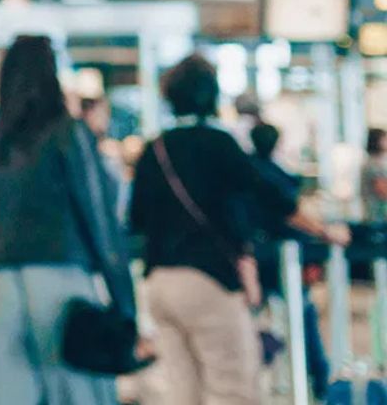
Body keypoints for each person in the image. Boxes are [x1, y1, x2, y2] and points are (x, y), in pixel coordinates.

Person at [130, 54, 345, 405]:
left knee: (184, 393)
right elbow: (270, 197)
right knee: (233, 390)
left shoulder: (154, 149)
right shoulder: (218, 143)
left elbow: (136, 218)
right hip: (209, 280)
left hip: (159, 283)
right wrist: (325, 230)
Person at [0, 36, 134, 405]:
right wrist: (125, 306)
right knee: (78, 394)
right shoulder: (69, 136)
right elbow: (99, 222)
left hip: (0, 287)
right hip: (64, 285)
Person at [248, 123, 328, 399]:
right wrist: (325, 231)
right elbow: (288, 211)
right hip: (278, 258)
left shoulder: (251, 169)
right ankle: (318, 378)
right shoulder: (271, 175)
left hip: (256, 257)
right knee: (301, 313)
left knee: (257, 318)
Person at [361, 128, 387, 224]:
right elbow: (383, 190)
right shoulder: (374, 164)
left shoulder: (375, 162)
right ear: (377, 141)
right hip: (377, 216)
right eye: (385, 138)